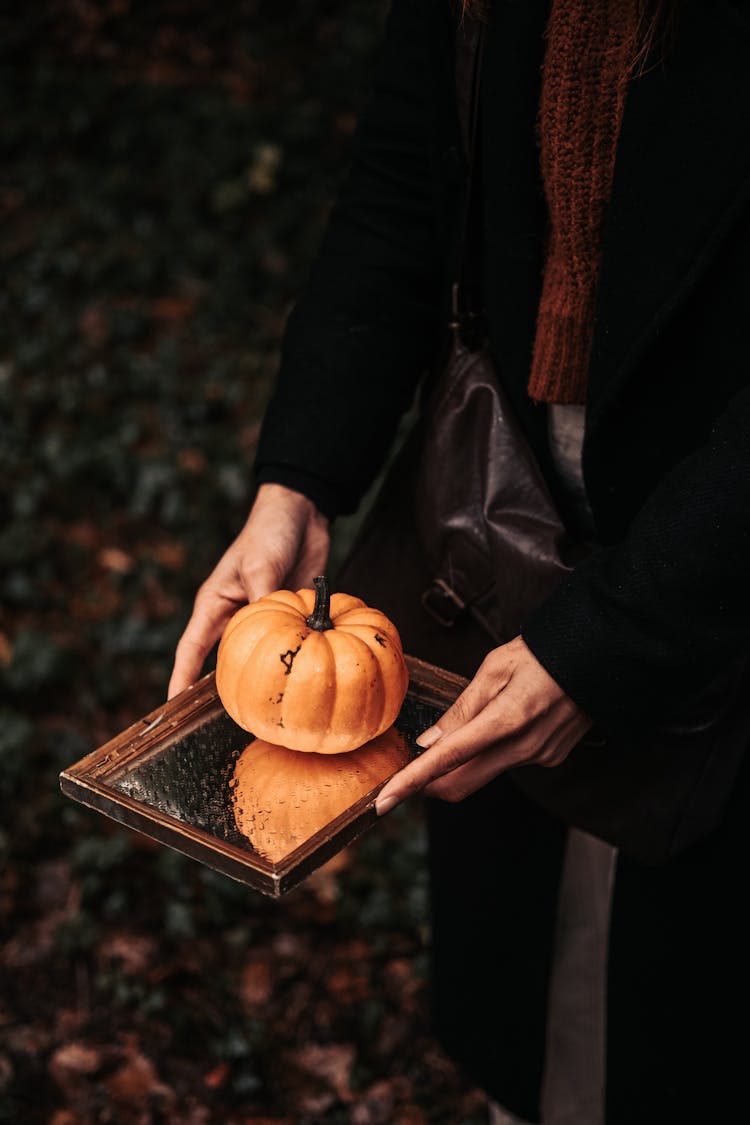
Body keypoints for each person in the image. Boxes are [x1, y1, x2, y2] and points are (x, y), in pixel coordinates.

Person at [169, 1, 750, 1121]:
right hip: (501, 524)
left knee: (695, 1007)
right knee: (533, 975)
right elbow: (406, 177)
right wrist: (301, 480)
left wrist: (614, 636)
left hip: (717, 541)